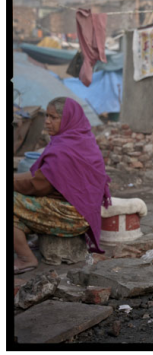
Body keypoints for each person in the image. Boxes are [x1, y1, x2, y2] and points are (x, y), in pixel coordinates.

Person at [14, 97, 111, 274]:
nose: (47, 121)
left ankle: (25, 258)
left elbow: (39, 185)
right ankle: (29, 238)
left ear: (68, 119)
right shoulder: (81, 138)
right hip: (85, 211)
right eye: (47, 116)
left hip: (73, 215)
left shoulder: (63, 149)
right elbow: (43, 177)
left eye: (54, 117)